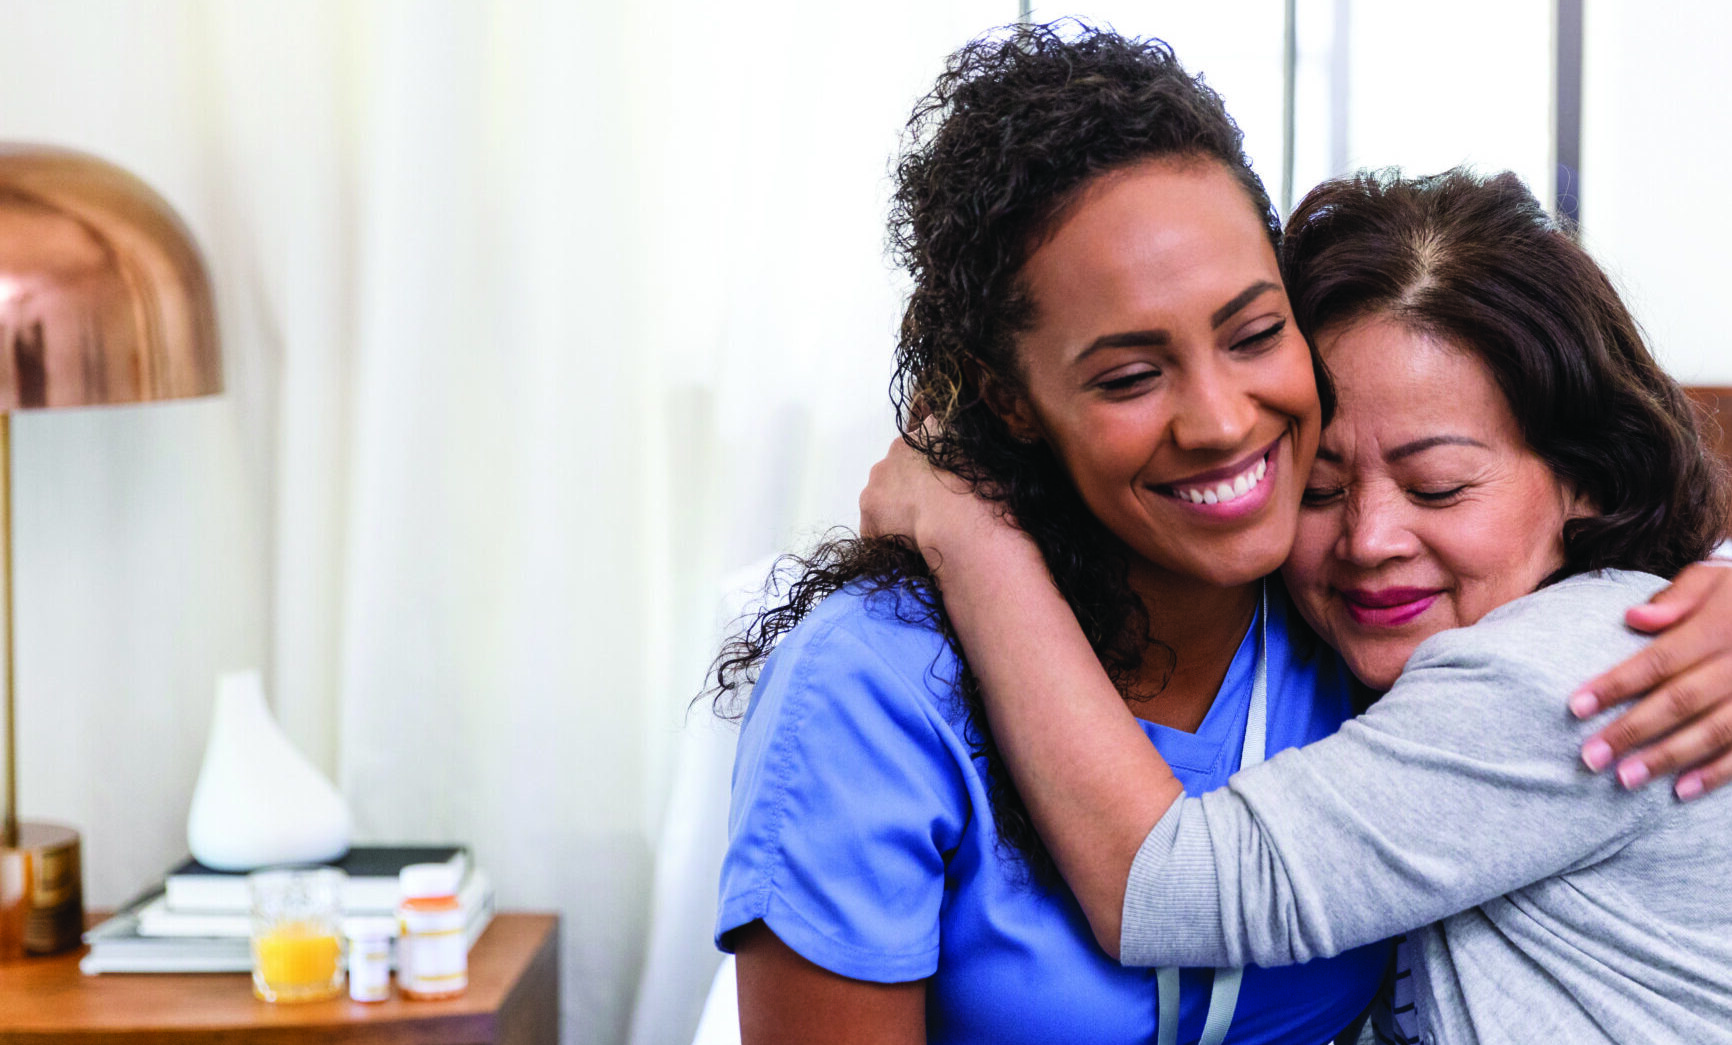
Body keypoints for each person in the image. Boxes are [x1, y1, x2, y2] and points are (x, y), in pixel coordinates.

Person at [713, 23, 1732, 1045]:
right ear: (1009, 399)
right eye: (1126, 375)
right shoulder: (876, 682)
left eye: (1252, 335)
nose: (1221, 421)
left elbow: (1172, 881)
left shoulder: (1421, 652)